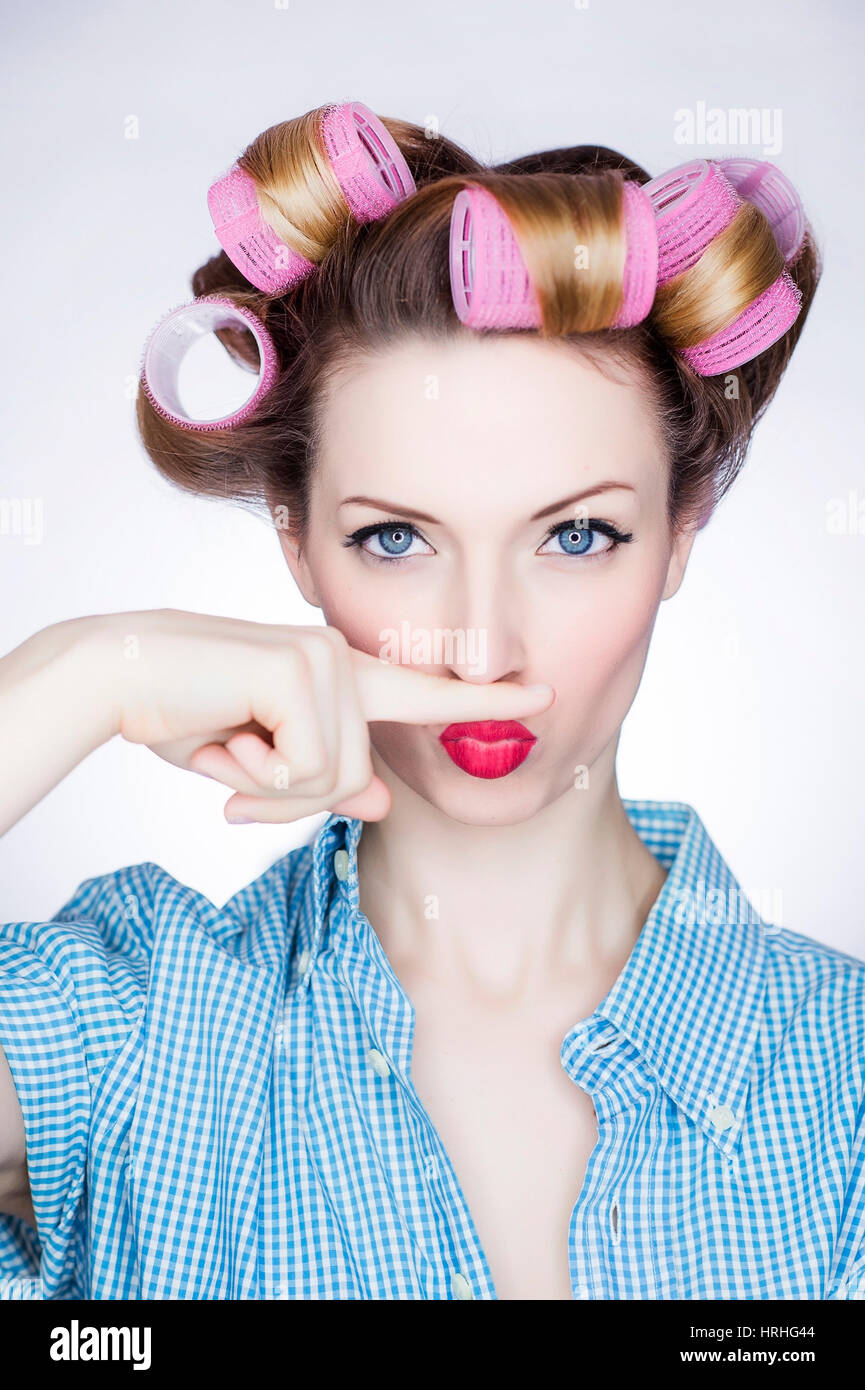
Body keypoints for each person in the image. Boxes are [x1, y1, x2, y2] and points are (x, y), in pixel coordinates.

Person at [0, 100, 862, 1302]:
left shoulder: (848, 1077)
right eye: (398, 537)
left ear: (680, 535)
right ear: (296, 542)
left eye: (575, 533)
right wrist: (91, 673)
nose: (480, 646)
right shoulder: (128, 1026)